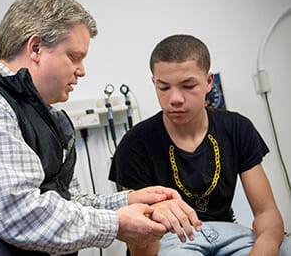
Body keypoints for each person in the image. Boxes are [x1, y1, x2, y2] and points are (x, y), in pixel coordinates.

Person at [0, 0, 201, 256]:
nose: (81, 71)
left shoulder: (48, 118)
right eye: (74, 57)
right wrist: (118, 223)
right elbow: (21, 217)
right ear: (36, 48)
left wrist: (128, 201)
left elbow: (66, 203)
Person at [109, 34, 291, 256]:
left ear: (208, 82)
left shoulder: (237, 128)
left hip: (229, 233)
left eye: (188, 85)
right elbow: (139, 239)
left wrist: (265, 248)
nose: (175, 98)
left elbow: (266, 212)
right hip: (169, 240)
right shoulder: (135, 144)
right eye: (164, 88)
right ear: (154, 83)